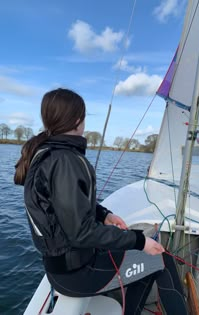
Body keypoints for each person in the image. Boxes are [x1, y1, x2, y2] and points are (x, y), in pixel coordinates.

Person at [14, 88, 187, 315]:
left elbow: (65, 203)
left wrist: (103, 214)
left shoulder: (47, 153)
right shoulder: (66, 161)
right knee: (162, 261)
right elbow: (81, 233)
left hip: (64, 268)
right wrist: (139, 241)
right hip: (78, 273)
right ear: (78, 120)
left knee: (147, 259)